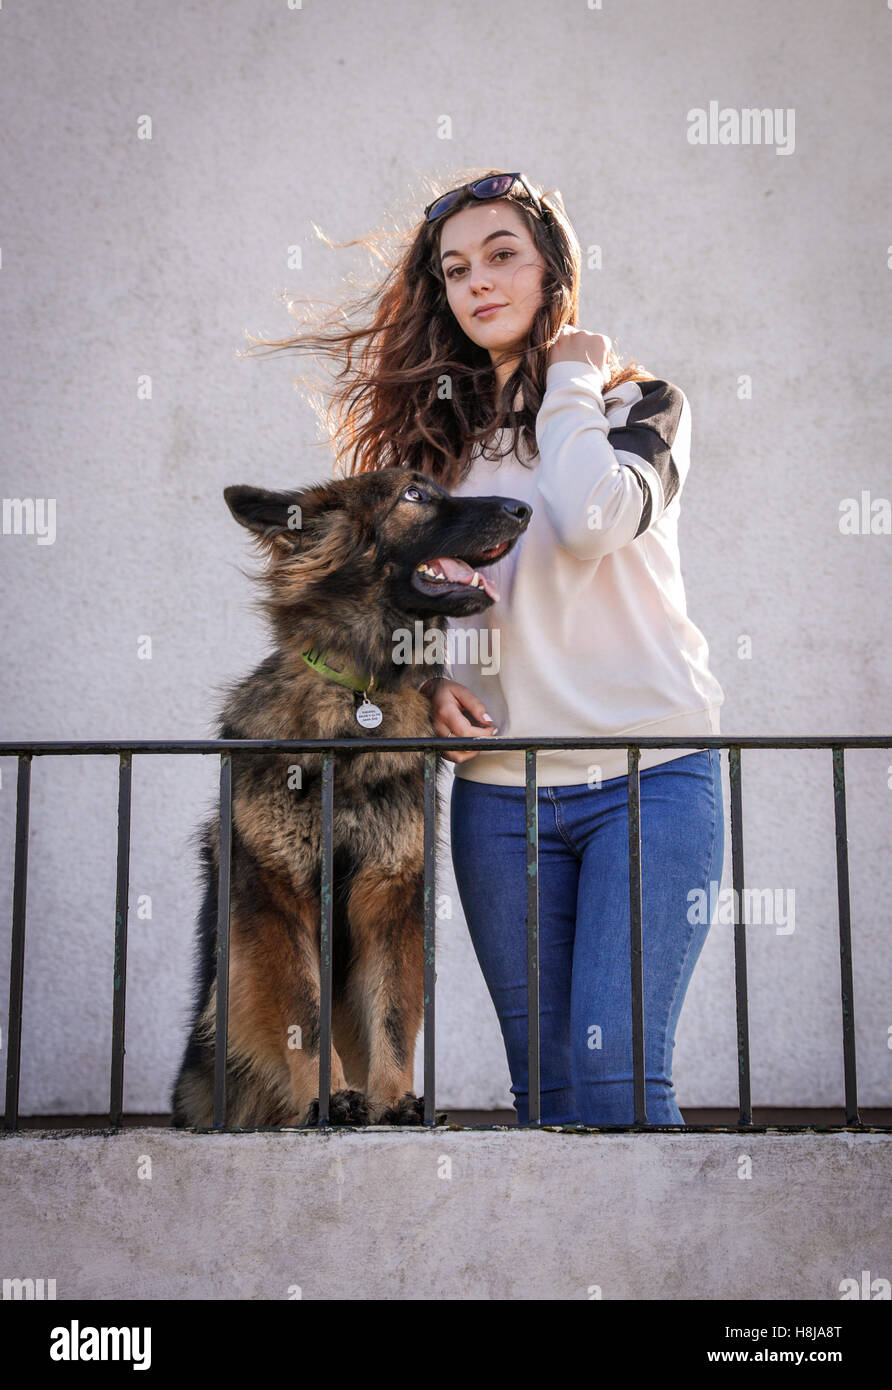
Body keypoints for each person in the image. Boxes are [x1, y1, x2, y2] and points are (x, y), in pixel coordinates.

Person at [244, 168, 726, 1127]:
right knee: (545, 1103)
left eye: (504, 255)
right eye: (456, 269)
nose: (479, 282)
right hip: (503, 801)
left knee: (621, 1086)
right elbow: (405, 597)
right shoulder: (437, 450)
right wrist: (432, 683)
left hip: (651, 779)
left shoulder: (638, 406)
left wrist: (573, 380)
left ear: (555, 272)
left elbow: (592, 521)